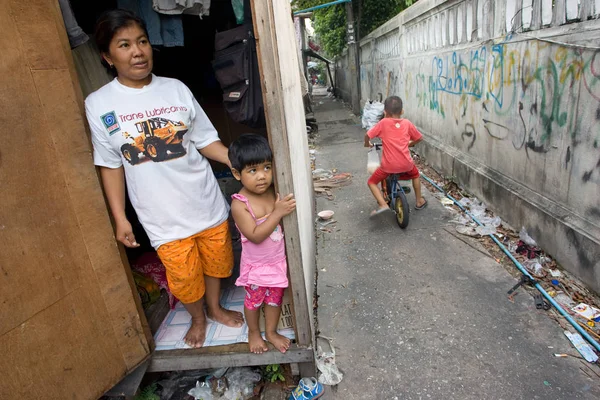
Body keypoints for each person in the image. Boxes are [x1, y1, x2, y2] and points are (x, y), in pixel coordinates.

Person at [85, 9, 243, 348]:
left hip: (203, 199)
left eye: (142, 41)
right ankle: (197, 318)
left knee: (217, 261)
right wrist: (119, 217)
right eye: (124, 45)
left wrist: (237, 161)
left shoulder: (176, 89)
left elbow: (204, 140)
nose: (138, 52)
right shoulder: (99, 104)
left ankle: (214, 308)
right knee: (184, 277)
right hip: (161, 216)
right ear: (107, 56)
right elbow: (110, 164)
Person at [228, 134, 295, 354]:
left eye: (267, 167)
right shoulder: (240, 204)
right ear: (237, 173)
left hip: (277, 261)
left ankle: (272, 332)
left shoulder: (273, 191)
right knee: (254, 302)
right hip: (256, 266)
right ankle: (254, 332)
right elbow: (256, 235)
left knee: (274, 300)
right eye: (252, 170)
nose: (262, 176)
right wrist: (277, 212)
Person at [364, 95, 427, 216]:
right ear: (402, 111)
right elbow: (419, 138)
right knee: (415, 175)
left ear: (385, 112)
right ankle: (419, 200)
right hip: (406, 164)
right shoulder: (407, 123)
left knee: (371, 182)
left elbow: (368, 135)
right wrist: (410, 143)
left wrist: (367, 143)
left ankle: (383, 204)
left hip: (388, 166)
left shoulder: (383, 123)